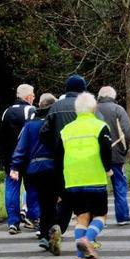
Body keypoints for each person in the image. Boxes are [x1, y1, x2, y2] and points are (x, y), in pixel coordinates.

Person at [40, 74, 102, 246]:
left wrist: (55, 147)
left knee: (66, 198)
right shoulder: (89, 107)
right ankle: (89, 237)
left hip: (62, 162)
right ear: (83, 90)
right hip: (87, 161)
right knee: (88, 200)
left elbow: (43, 133)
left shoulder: (56, 107)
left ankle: (54, 230)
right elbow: (101, 128)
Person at [56, 92, 113, 259]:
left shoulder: (66, 130)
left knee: (81, 217)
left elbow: (58, 157)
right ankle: (87, 240)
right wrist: (108, 169)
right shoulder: (100, 126)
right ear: (94, 108)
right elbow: (106, 151)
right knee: (100, 216)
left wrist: (60, 184)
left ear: (76, 110)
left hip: (72, 180)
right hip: (94, 178)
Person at [9, 93, 59, 251]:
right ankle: (48, 232)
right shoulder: (55, 123)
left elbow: (21, 148)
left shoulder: (30, 125)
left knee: (42, 202)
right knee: (51, 202)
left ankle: (43, 233)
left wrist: (15, 166)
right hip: (51, 168)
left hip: (33, 169)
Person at [0, 83, 39, 235]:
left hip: (10, 158)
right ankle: (33, 217)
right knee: (32, 187)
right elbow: (33, 133)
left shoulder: (6, 112)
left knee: (11, 188)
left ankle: (13, 222)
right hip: (27, 157)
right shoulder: (31, 110)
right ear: (28, 97)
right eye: (33, 94)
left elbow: (1, 137)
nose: (34, 97)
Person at [96, 86, 130, 225]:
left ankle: (99, 219)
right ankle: (122, 216)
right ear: (113, 96)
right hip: (116, 154)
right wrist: (124, 150)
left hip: (96, 155)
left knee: (98, 188)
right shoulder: (118, 110)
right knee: (119, 185)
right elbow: (127, 133)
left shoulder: (93, 110)